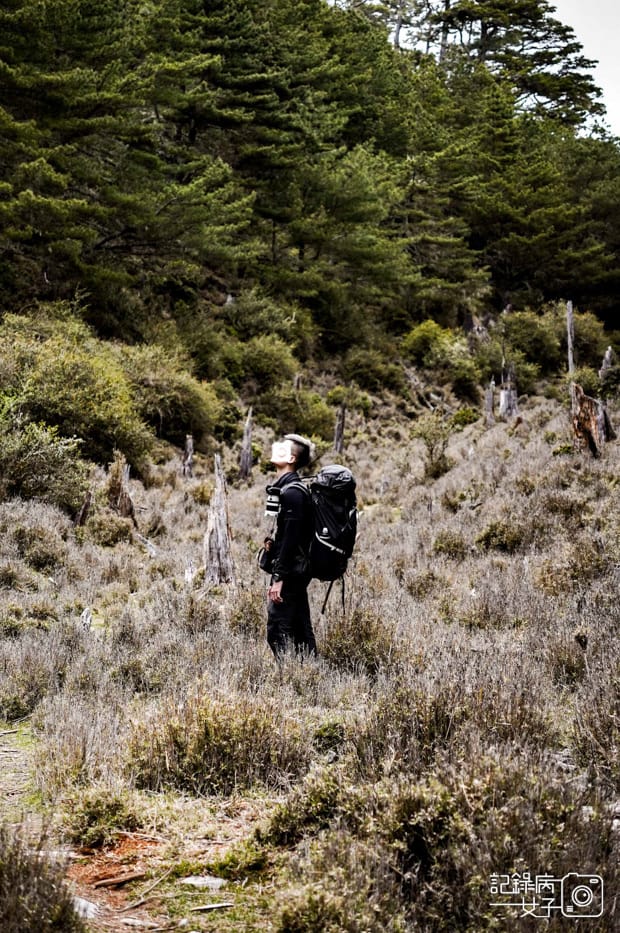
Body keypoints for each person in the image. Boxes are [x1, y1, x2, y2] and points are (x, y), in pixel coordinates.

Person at [265, 433, 316, 658]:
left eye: (283, 448)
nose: (276, 448)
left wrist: (278, 578)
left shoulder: (293, 492)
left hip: (291, 572)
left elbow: (291, 539)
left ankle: (288, 680)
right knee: (300, 627)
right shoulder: (288, 489)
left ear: (292, 458)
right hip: (294, 570)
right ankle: (311, 671)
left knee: (277, 630)